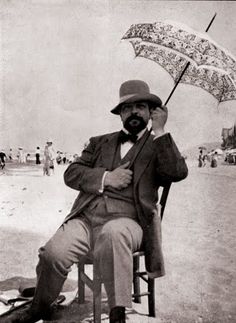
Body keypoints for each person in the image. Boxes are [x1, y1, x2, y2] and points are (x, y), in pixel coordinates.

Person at [7, 80, 188, 323]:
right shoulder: (99, 142)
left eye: (140, 106)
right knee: (53, 254)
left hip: (129, 223)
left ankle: (117, 313)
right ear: (120, 114)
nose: (133, 112)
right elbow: (71, 173)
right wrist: (106, 177)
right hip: (86, 220)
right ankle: (39, 308)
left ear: (151, 112)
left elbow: (177, 173)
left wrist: (161, 131)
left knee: (114, 234)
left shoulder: (159, 145)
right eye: (127, 107)